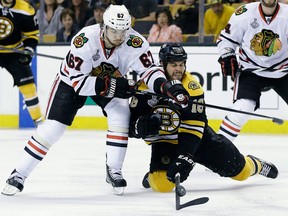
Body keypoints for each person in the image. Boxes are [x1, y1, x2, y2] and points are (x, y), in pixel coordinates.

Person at [2, 5, 189, 196]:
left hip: (108, 82)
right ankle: (19, 174)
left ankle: (114, 170)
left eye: (123, 30)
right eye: (114, 30)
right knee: (52, 129)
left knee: (121, 114)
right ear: (104, 26)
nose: (119, 35)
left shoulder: (135, 42)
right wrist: (115, 85)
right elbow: (79, 83)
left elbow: (148, 71)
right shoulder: (84, 40)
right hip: (71, 83)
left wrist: (166, 86)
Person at [128, 43, 278, 193]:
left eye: (181, 64)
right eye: (173, 64)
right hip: (164, 141)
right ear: (162, 64)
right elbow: (129, 126)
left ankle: (256, 164)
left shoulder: (192, 87)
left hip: (198, 140)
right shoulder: (144, 88)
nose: (178, 69)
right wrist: (138, 127)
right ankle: (155, 173)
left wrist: (186, 156)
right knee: (162, 185)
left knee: (240, 172)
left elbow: (194, 127)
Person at [217, 0, 288, 141]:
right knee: (242, 108)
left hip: (284, 71)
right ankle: (219, 149)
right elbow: (226, 39)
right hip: (250, 71)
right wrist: (227, 54)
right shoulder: (244, 13)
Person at [0, 0, 43, 126]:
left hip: (14, 52)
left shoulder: (26, 9)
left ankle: (39, 123)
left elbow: (32, 35)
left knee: (28, 86)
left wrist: (28, 51)